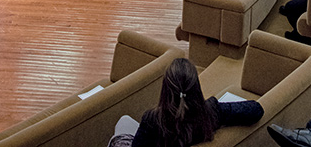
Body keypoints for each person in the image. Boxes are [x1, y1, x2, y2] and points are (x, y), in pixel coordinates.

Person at [110, 58, 263, 147]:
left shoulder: (152, 120)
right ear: (196, 86)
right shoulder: (212, 111)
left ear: (166, 89)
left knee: (124, 121)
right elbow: (256, 110)